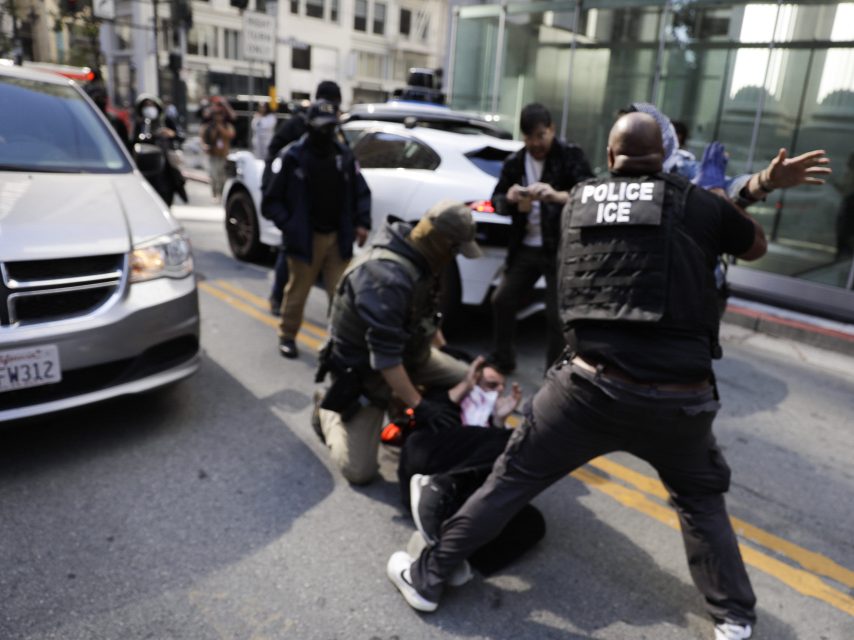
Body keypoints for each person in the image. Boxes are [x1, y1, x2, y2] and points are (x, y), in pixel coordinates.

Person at [387, 112, 772, 640]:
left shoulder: (581, 202)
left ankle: (427, 578)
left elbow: (599, 222)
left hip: (589, 390)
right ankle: (734, 618)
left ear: (611, 158)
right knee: (701, 504)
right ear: (666, 155)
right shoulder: (696, 203)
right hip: (678, 400)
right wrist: (753, 188)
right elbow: (754, 245)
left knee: (509, 482)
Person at [314, 200, 482, 485]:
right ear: (440, 240)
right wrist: (420, 405)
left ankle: (403, 410)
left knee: (469, 380)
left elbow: (426, 311)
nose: (456, 256)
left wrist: (442, 346)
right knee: (359, 471)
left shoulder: (424, 256)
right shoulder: (385, 278)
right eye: (454, 248)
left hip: (411, 353)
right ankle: (326, 410)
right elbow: (385, 359)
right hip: (366, 374)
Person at [261, 99, 371, 360]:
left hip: (338, 237)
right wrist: (290, 226)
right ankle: (287, 336)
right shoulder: (294, 157)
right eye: (321, 127)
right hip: (306, 238)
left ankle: (338, 342)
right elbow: (271, 201)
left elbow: (361, 191)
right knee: (297, 292)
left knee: (340, 295)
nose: (325, 132)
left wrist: (362, 222)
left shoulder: (344, 156)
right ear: (309, 126)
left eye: (330, 126)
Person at [489, 103, 593, 373]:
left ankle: (554, 374)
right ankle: (503, 359)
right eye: (528, 137)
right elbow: (496, 200)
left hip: (560, 249)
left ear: (551, 130)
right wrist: (508, 198)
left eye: (540, 136)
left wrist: (556, 196)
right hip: (524, 247)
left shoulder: (570, 155)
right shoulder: (515, 162)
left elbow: (590, 196)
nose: (535, 143)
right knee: (502, 299)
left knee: (556, 315)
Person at [265, 81, 344, 316]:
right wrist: (284, 213)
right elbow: (274, 156)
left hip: (325, 212)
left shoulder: (336, 132)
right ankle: (278, 298)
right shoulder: (298, 128)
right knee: (289, 255)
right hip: (298, 207)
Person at [132, 94, 187, 206]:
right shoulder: (140, 123)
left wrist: (171, 134)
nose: (149, 108)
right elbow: (133, 141)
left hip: (165, 167)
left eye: (152, 105)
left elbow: (181, 136)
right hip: (145, 166)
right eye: (146, 106)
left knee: (165, 194)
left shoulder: (166, 120)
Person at [199, 96, 236, 201]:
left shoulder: (226, 125)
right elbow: (202, 135)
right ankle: (214, 194)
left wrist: (221, 128)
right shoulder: (209, 126)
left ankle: (221, 194)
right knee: (214, 174)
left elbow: (231, 134)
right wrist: (204, 145)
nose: (218, 117)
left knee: (222, 175)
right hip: (212, 153)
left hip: (223, 153)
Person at [85, 83, 131, 153]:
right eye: (95, 98)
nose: (99, 100)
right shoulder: (81, 124)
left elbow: (125, 148)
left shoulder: (116, 122)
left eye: (101, 97)